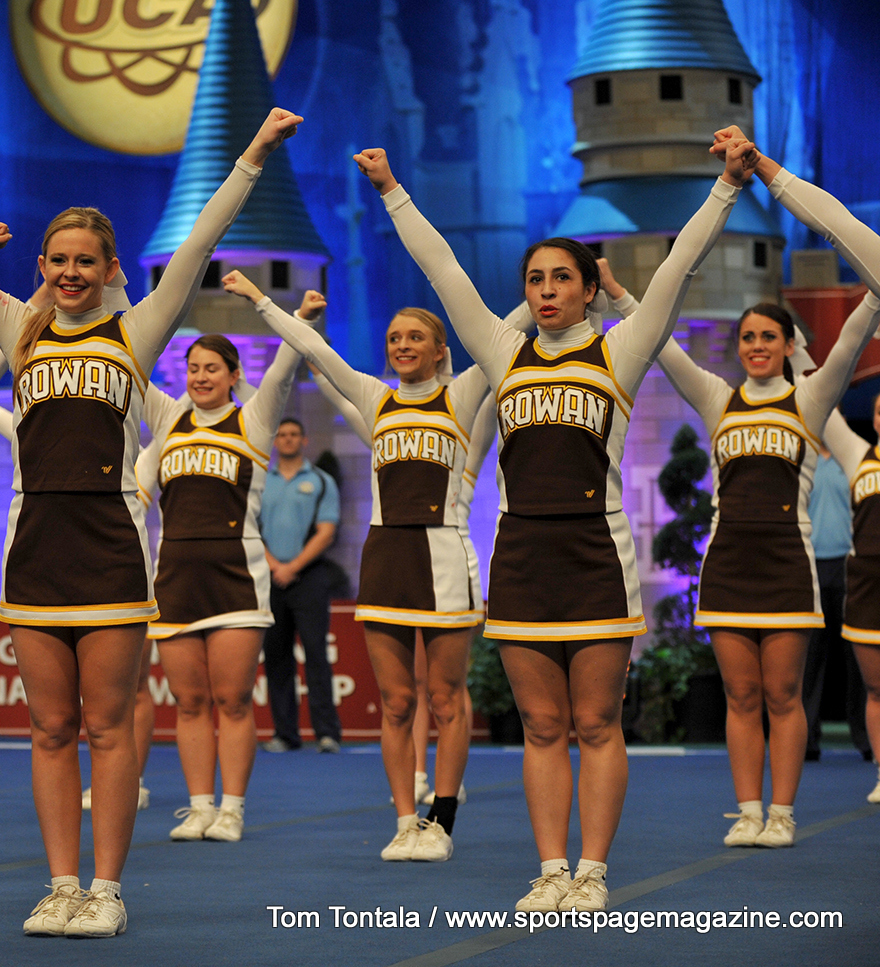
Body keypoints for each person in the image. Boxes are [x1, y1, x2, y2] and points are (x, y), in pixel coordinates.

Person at [0, 107, 302, 936]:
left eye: (87, 260)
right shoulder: (18, 329)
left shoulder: (136, 329)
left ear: (110, 268)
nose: (72, 272)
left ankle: (108, 888)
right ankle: (59, 883)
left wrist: (255, 154)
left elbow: (198, 242)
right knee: (50, 727)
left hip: (112, 550)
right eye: (59, 260)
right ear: (42, 268)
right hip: (35, 554)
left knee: (108, 726)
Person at [357, 133, 756, 911]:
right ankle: (549, 869)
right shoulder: (503, 352)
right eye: (535, 279)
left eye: (561, 278)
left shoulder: (620, 351)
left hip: (595, 556)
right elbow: (443, 268)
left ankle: (592, 871)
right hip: (520, 559)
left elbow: (678, 267)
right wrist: (390, 189)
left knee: (597, 720)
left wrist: (727, 187)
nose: (546, 291)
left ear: (589, 289)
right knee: (541, 724)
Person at [656, 133, 880, 847]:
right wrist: (624, 296)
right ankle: (747, 808)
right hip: (727, 565)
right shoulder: (717, 400)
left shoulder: (810, 401)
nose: (756, 345)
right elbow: (659, 342)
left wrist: (871, 299)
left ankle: (782, 812)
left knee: (783, 694)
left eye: (768, 337)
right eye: (748, 337)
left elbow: (855, 334)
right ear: (739, 346)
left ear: (787, 345)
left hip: (787, 565)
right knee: (740, 694)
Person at [252, 281, 489, 862]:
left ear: (440, 350)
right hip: (385, 562)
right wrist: (261, 302)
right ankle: (405, 822)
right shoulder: (376, 399)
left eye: (416, 337)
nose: (402, 345)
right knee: (397, 702)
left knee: (446, 698)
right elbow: (317, 351)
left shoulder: (461, 396)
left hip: (444, 561)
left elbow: (497, 334)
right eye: (394, 337)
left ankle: (443, 820)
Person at [133, 271, 303, 843]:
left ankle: (232, 809)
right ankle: (199, 806)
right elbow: (129, 359)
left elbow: (284, 369)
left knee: (232, 700)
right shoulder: (167, 421)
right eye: (193, 368)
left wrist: (281, 309)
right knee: (188, 702)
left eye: (212, 368)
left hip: (236, 579)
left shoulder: (253, 422)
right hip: (176, 580)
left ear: (234, 376)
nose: (201, 376)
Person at [256, 418, 342, 755]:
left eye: (294, 434)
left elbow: (327, 531)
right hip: (270, 577)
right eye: (282, 435)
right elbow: (251, 528)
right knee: (276, 656)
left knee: (316, 654)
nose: (288, 439)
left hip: (309, 577)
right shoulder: (261, 481)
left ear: (304, 440)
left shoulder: (321, 481)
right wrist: (275, 565)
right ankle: (285, 734)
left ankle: (327, 733)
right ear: (275, 441)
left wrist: (292, 567)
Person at [823, 399, 880, 804]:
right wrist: (800, 365)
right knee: (875, 689)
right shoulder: (858, 455)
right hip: (866, 589)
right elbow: (823, 405)